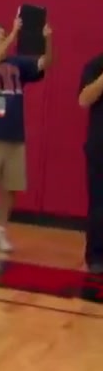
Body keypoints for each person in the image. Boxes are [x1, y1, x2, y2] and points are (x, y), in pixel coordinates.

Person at [0, 18, 52, 253]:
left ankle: (0, 231)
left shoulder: (18, 64)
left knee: (10, 185)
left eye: (3, 33)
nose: (2, 36)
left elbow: (46, 62)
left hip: (14, 134)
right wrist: (13, 34)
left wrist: (48, 40)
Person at [78, 52, 103, 274]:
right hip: (99, 147)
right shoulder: (95, 65)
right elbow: (84, 99)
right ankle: (96, 258)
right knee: (99, 205)